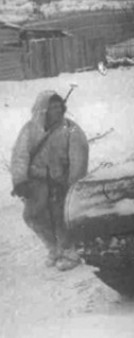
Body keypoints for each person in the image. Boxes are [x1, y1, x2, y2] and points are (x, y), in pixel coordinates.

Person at [10, 91, 89, 271]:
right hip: (36, 182)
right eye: (52, 107)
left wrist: (73, 184)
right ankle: (54, 248)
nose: (57, 110)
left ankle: (69, 252)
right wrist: (20, 181)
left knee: (60, 217)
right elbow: (20, 155)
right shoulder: (30, 129)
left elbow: (79, 158)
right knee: (32, 216)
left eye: (59, 106)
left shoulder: (71, 129)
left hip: (61, 182)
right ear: (42, 109)